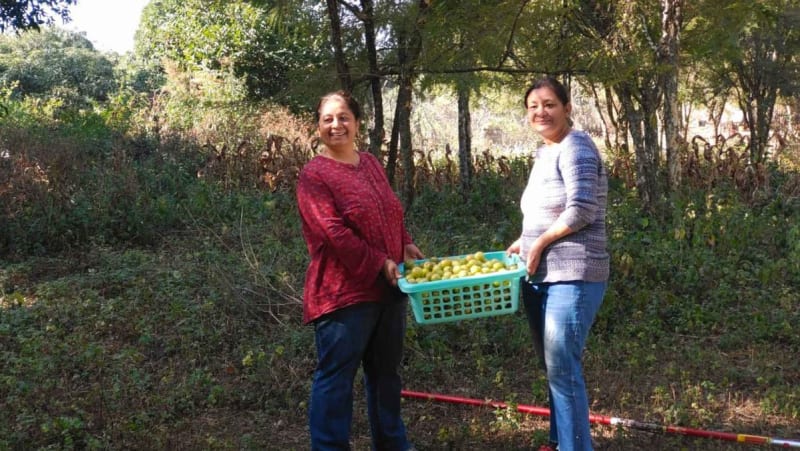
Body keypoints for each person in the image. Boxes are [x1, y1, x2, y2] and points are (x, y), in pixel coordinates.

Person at [296, 90, 423, 451]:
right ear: (318, 126)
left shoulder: (368, 162)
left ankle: (392, 445)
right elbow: (333, 233)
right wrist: (379, 261)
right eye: (327, 119)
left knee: (386, 376)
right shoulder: (314, 175)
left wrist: (404, 243)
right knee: (336, 379)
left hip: (388, 289)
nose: (336, 125)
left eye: (343, 117)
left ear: (357, 122)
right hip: (344, 294)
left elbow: (388, 209)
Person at [506, 77, 609, 451]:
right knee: (553, 365)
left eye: (549, 104)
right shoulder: (545, 152)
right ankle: (558, 440)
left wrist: (541, 244)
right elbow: (544, 212)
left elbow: (582, 209)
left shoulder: (576, 146)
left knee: (563, 366)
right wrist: (526, 242)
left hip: (573, 273)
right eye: (533, 106)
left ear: (567, 108)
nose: (541, 112)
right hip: (541, 275)